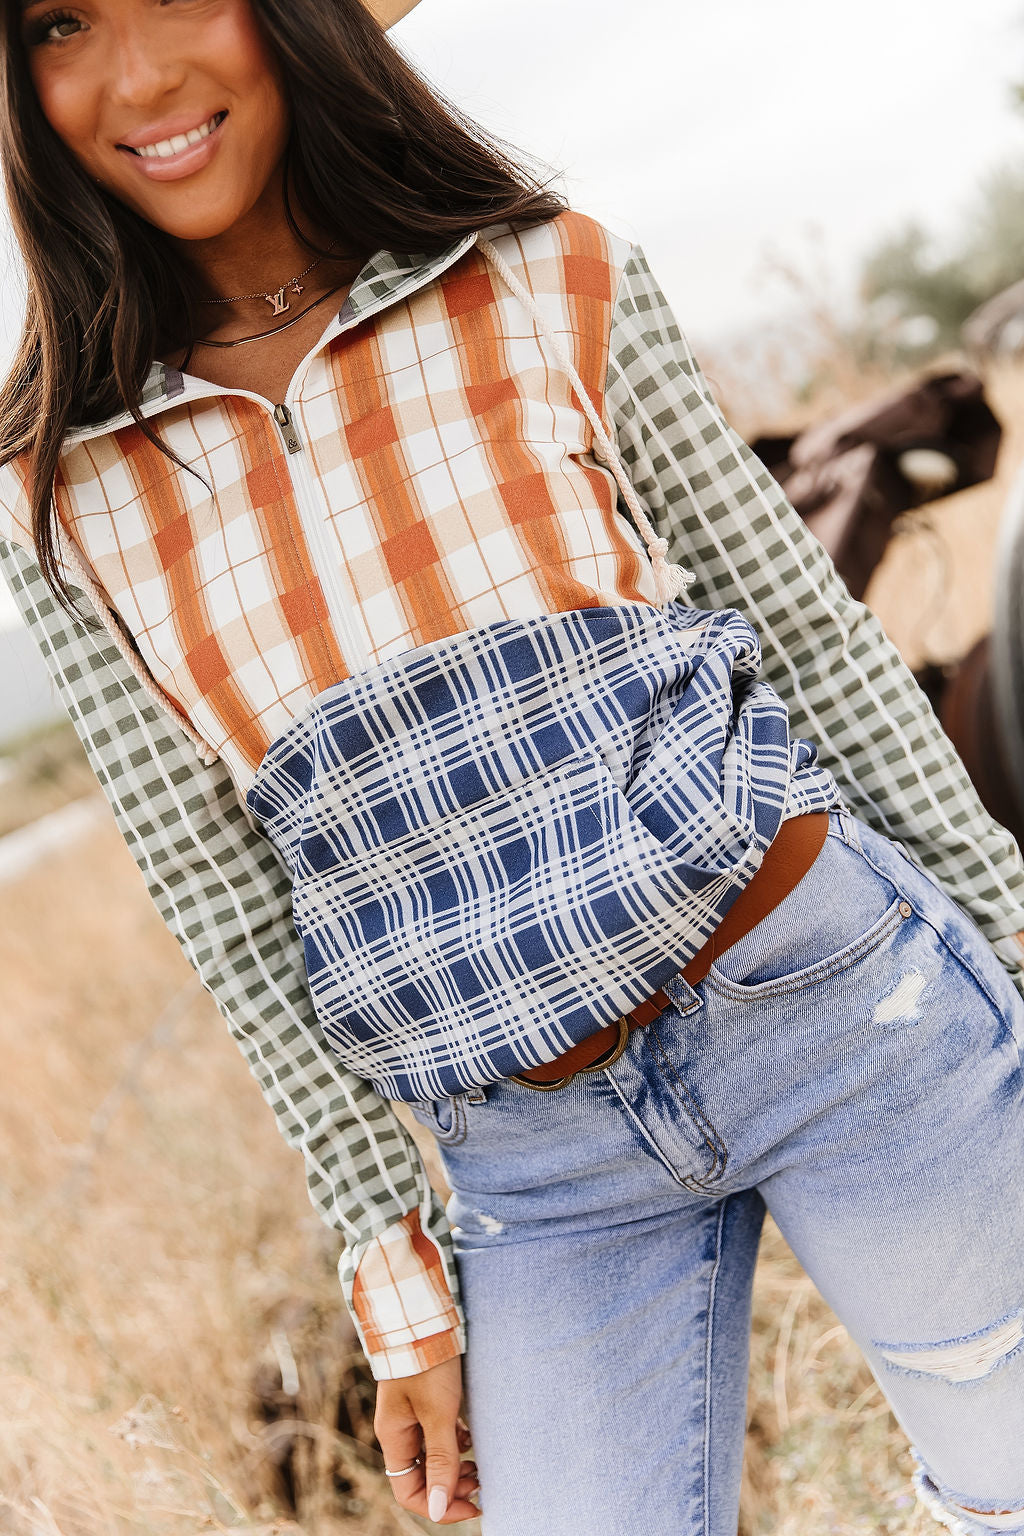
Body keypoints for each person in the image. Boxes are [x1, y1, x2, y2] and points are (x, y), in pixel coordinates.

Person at [1, 1, 1022, 1531]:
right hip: (536, 1162)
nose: (139, 76)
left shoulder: (548, 271)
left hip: (838, 1006)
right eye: (62, 21)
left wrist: (1012, 933)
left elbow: (806, 634)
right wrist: (389, 1255)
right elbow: (221, 897)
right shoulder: (63, 482)